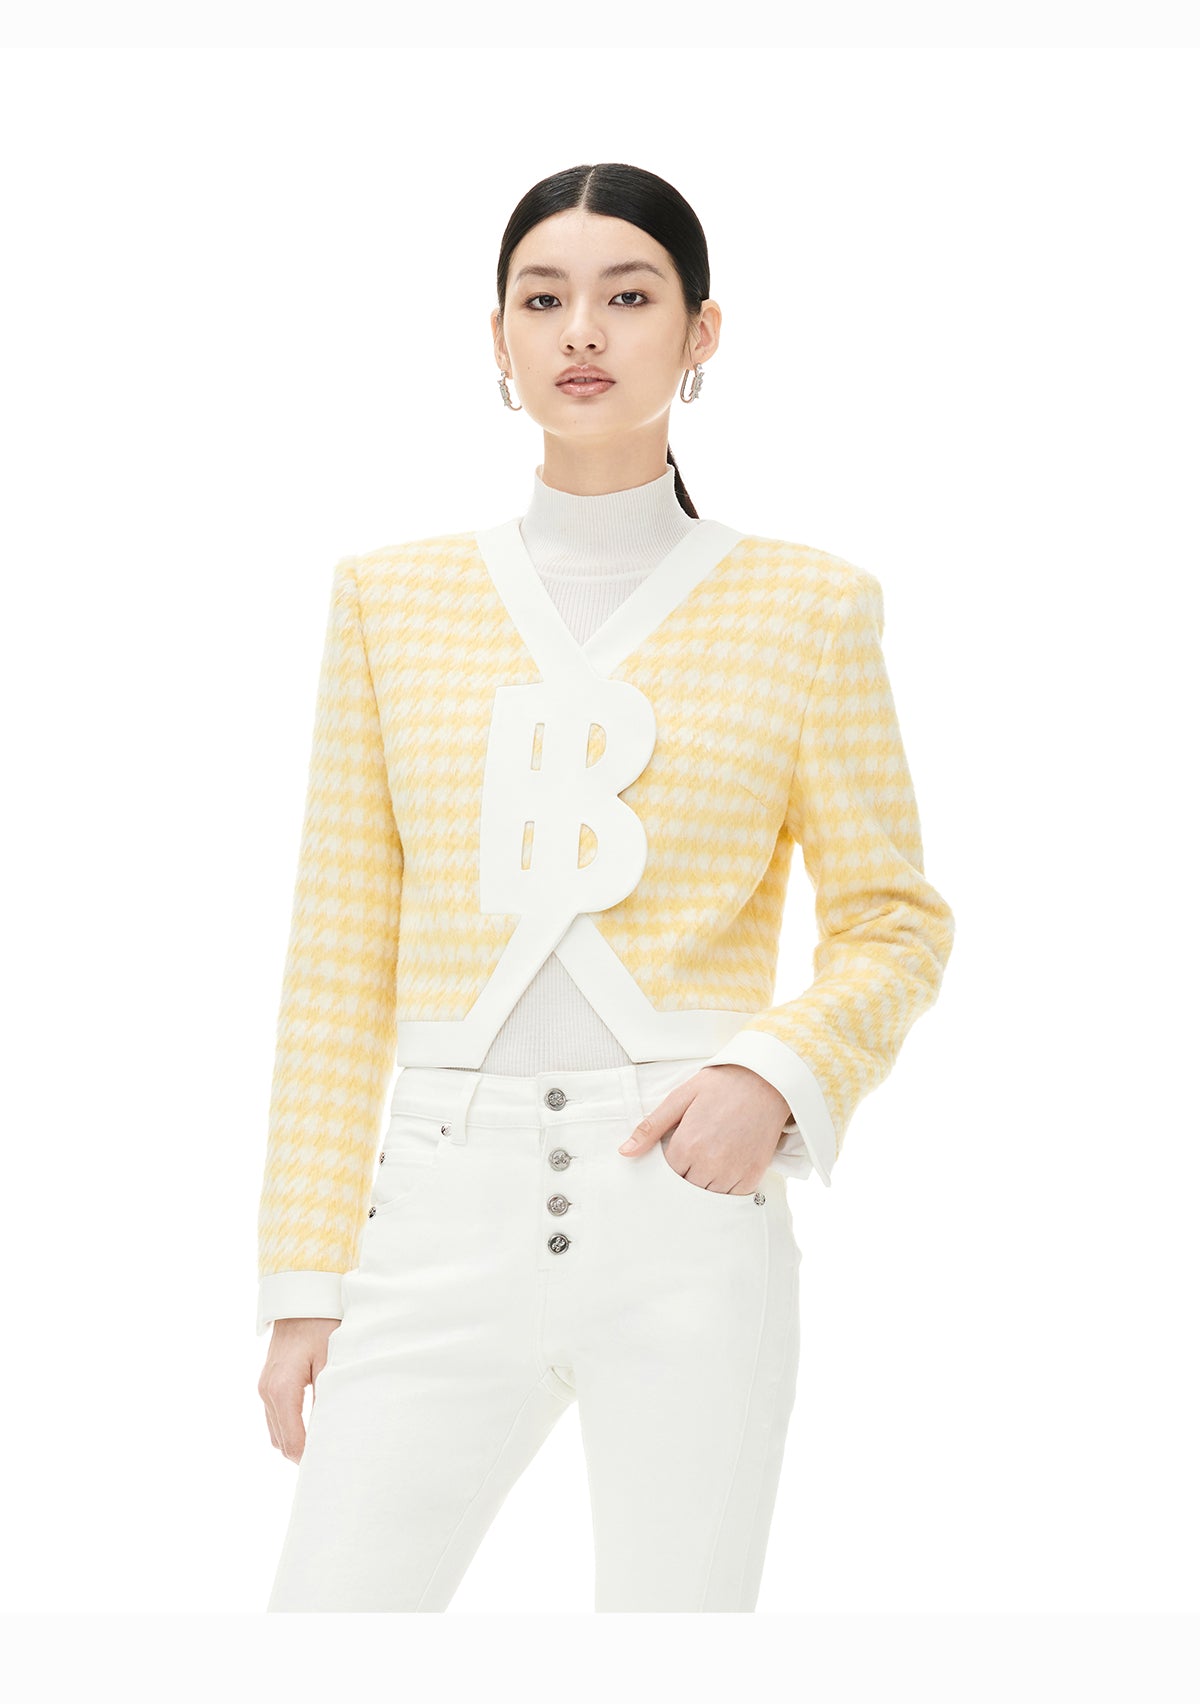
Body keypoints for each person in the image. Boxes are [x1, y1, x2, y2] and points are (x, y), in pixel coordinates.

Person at [255, 161, 956, 1613]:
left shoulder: (810, 607)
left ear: (701, 333)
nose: (583, 330)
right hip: (439, 1202)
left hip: (684, 1209)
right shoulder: (389, 600)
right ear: (498, 338)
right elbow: (338, 957)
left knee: (676, 1645)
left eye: (629, 296)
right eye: (544, 298)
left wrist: (774, 1075)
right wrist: (305, 1279)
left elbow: (894, 919)